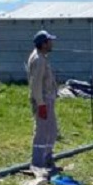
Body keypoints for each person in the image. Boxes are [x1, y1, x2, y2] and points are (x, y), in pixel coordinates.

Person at [27, 30, 59, 173]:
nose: (52, 43)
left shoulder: (41, 57)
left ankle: (47, 159)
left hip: (47, 99)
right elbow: (36, 83)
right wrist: (41, 104)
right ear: (43, 43)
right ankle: (38, 163)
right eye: (49, 41)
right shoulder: (38, 59)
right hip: (43, 100)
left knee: (51, 130)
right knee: (42, 132)